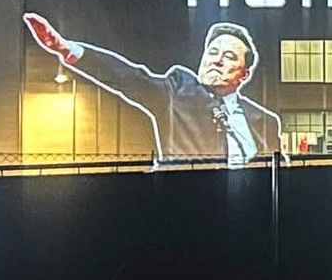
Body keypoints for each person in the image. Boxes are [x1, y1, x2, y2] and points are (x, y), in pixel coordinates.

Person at [23, 13, 282, 167]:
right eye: (212, 52)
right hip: (186, 204)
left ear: (244, 74)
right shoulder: (178, 89)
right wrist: (68, 49)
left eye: (229, 57)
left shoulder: (265, 121)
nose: (216, 60)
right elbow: (130, 78)